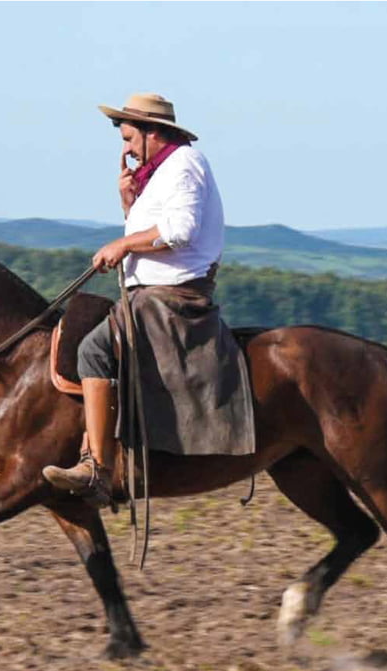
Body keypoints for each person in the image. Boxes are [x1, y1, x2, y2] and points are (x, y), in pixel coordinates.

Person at [43, 93, 254, 507]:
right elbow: (157, 231)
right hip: (147, 295)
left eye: (129, 139)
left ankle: (97, 468)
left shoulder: (184, 165)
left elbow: (180, 231)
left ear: (152, 132)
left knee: (93, 350)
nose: (126, 150)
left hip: (171, 300)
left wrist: (122, 243)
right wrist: (130, 204)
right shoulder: (161, 173)